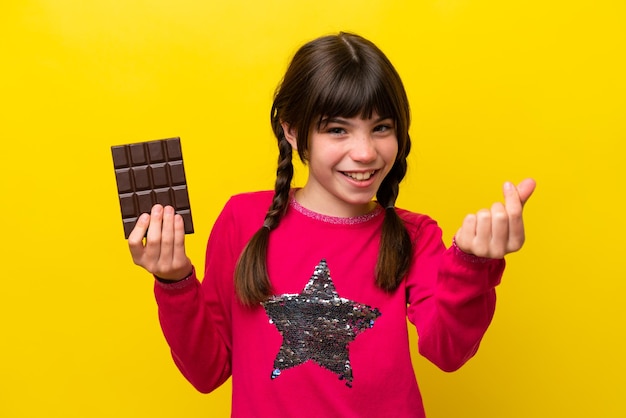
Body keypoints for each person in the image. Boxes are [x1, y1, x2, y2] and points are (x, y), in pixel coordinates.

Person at [127, 32, 536, 418]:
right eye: (338, 130)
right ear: (291, 130)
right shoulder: (242, 221)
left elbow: (448, 352)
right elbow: (208, 371)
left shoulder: (415, 236)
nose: (365, 152)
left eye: (381, 128)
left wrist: (472, 265)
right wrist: (174, 280)